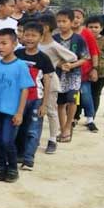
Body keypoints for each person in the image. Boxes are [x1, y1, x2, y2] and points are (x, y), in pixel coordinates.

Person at [0, 29, 35, 182]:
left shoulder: (21, 66)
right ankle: (1, 167)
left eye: (4, 43)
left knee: (8, 140)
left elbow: (24, 89)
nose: (0, 47)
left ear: (14, 44)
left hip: (11, 111)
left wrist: (20, 112)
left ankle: (12, 168)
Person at [14, 21, 54, 171]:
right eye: (27, 35)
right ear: (22, 36)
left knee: (33, 130)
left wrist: (44, 104)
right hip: (17, 99)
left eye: (34, 35)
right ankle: (16, 155)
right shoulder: (17, 54)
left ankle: (29, 158)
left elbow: (47, 81)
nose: (30, 38)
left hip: (36, 99)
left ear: (41, 38)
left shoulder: (44, 58)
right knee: (16, 128)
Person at [37, 14, 77, 154]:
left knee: (51, 110)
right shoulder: (37, 43)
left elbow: (72, 57)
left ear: (47, 27)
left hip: (50, 80)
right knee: (36, 109)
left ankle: (52, 139)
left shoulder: (54, 45)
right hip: (35, 80)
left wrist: (57, 63)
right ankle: (34, 137)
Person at [53, 9, 88, 143]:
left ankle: (68, 126)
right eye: (59, 21)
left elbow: (85, 58)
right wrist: (60, 64)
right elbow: (50, 57)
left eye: (64, 21)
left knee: (73, 99)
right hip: (58, 74)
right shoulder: (54, 39)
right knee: (60, 103)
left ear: (72, 22)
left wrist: (72, 65)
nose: (61, 24)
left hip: (74, 75)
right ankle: (63, 129)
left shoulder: (78, 39)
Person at [72, 9, 99, 131]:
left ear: (82, 20)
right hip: (68, 72)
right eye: (73, 17)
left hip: (84, 72)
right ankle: (72, 118)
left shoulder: (87, 33)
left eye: (78, 17)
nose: (75, 19)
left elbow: (94, 52)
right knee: (72, 96)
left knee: (86, 95)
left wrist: (94, 69)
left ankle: (90, 119)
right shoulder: (64, 32)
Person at [87, 16, 104, 122]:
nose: (93, 29)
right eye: (90, 27)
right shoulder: (82, 39)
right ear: (86, 27)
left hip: (101, 73)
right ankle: (76, 116)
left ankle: (91, 117)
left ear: (101, 28)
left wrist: (102, 65)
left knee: (95, 94)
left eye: (96, 27)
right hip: (84, 72)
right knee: (81, 94)